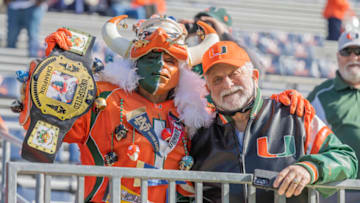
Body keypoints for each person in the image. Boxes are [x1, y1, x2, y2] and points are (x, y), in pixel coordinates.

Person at [17, 15, 314, 202]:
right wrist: (51, 76)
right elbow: (50, 122)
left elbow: (242, 105)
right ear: (134, 61)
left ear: (182, 69)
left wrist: (283, 102)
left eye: (170, 61)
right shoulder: (101, 98)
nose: (159, 66)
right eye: (150, 57)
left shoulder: (198, 110)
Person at [190, 41, 358, 203]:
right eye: (217, 80)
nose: (227, 84)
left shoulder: (294, 116)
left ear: (254, 76)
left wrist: (310, 169)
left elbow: (346, 159)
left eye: (234, 73)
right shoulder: (198, 134)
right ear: (208, 89)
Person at [307, 29, 360, 202]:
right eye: (347, 52)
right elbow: (305, 139)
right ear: (338, 57)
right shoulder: (321, 95)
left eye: (359, 52)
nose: (353, 57)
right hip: (340, 189)